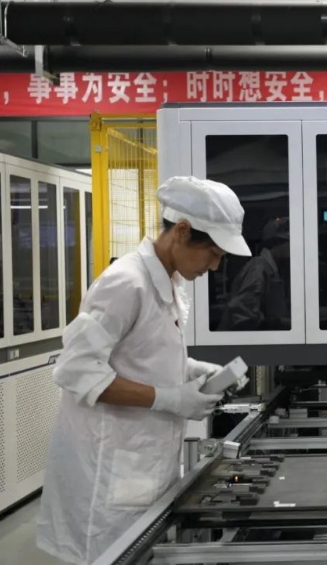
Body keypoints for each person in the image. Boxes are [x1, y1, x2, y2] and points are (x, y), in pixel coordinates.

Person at [36, 176, 252, 564]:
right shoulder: (125, 283)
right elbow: (76, 371)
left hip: (143, 464)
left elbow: (141, 355)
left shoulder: (168, 283)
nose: (215, 266)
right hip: (110, 470)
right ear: (182, 232)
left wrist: (190, 370)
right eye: (214, 253)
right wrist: (169, 399)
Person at [217, 217, 291, 331]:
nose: (292, 248)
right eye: (289, 243)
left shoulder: (270, 269)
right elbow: (243, 315)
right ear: (277, 243)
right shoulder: (258, 268)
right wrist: (280, 323)